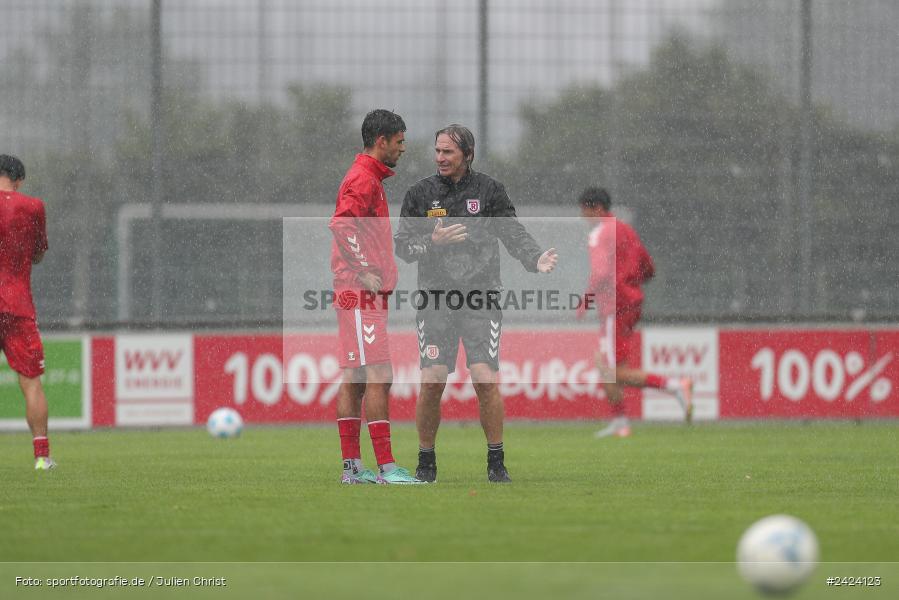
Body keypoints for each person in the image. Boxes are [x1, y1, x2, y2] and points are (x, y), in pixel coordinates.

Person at [395, 124, 558, 483]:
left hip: (481, 298)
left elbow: (512, 231)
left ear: (467, 154)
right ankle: (426, 463)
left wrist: (534, 259)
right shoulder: (420, 194)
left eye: (448, 152)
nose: (440, 158)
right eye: (437, 151)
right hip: (435, 298)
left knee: (485, 379)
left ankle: (496, 463)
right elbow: (403, 248)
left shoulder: (490, 190)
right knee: (433, 380)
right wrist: (431, 242)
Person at [329, 109, 423, 484]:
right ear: (381, 141)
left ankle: (353, 469)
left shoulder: (369, 178)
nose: (403, 149)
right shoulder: (363, 179)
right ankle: (386, 468)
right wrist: (365, 266)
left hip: (359, 291)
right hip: (358, 291)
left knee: (355, 377)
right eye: (399, 142)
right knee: (379, 375)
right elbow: (342, 224)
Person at [577, 186, 693, 438]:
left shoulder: (600, 232)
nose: (585, 219)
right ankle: (620, 422)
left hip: (614, 306)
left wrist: (586, 300)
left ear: (595, 208)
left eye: (585, 212)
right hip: (630, 303)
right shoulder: (625, 230)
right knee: (606, 362)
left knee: (611, 370)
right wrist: (632, 283)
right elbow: (648, 266)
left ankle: (674, 386)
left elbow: (599, 272)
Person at [0, 155, 55, 470]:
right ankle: (42, 458)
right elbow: (37, 255)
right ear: (18, 180)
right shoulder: (32, 206)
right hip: (17, 306)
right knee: (31, 383)